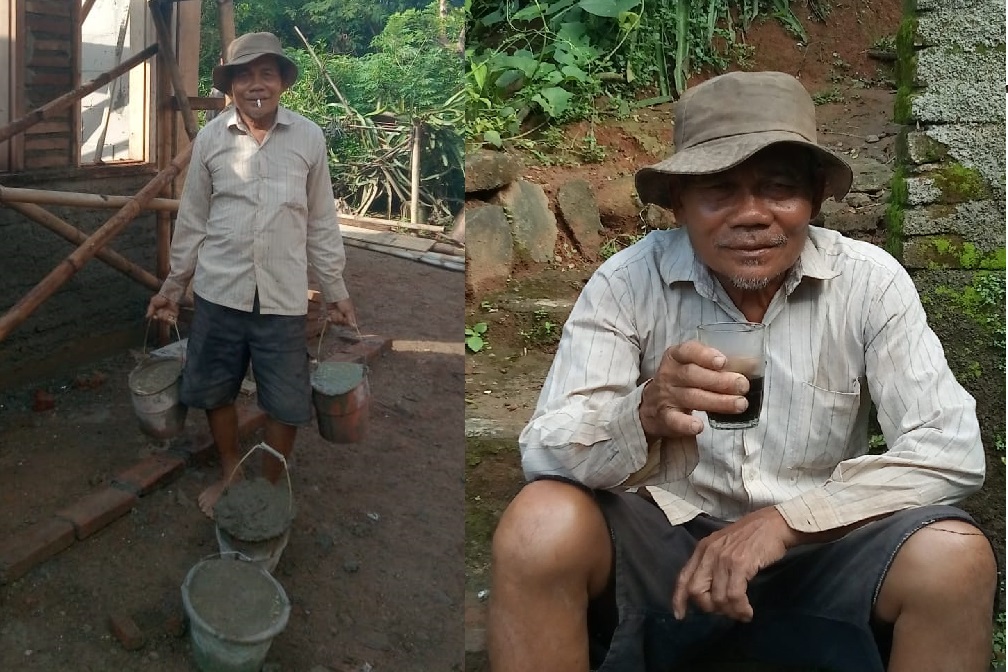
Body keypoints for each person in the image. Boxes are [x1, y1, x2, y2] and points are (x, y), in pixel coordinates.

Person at [488, 71, 997, 672]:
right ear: (678, 204)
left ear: (813, 196)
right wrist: (643, 414)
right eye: (719, 191)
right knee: (538, 524)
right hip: (665, 548)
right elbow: (544, 450)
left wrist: (786, 523)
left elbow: (952, 449)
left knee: (956, 555)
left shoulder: (869, 282)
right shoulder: (629, 282)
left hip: (820, 550)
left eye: (778, 188)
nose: (752, 215)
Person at [147, 32, 356, 517]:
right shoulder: (210, 140)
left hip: (282, 299)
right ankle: (230, 472)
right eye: (244, 75)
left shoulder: (309, 137)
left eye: (266, 74)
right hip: (220, 292)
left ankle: (268, 482)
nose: (255, 85)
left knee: (286, 401)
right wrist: (173, 287)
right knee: (215, 390)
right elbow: (194, 219)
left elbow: (321, 221)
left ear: (283, 81)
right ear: (231, 85)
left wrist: (335, 289)